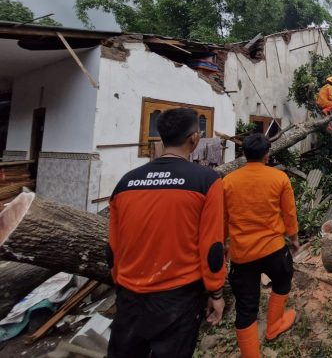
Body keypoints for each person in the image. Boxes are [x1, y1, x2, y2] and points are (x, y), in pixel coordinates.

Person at [107, 108, 226, 358]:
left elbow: (113, 248)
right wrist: (216, 293)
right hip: (178, 299)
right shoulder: (207, 181)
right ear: (194, 138)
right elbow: (212, 247)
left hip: (129, 297)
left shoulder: (126, 182)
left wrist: (121, 284)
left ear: (161, 137)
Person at [224, 133, 300, 358]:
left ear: (244, 154)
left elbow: (221, 219)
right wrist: (294, 238)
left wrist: (222, 244)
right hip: (273, 249)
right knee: (283, 280)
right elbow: (289, 212)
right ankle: (274, 326)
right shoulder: (279, 178)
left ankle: (250, 355)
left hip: (241, 254)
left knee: (246, 307)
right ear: (267, 155)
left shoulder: (227, 181)